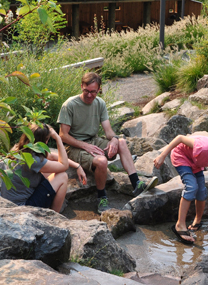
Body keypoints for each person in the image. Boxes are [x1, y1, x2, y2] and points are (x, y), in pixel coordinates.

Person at [58, 72, 158, 214]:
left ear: (99, 90)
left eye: (93, 92)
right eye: (86, 91)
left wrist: (114, 140)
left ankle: (137, 184)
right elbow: (63, 136)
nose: (89, 95)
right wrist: (85, 146)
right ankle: (102, 198)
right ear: (81, 86)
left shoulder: (100, 103)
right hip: (74, 147)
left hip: (93, 140)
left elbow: (109, 131)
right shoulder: (69, 105)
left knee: (122, 142)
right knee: (102, 161)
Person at [154, 135, 208, 244]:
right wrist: (162, 155)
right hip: (181, 156)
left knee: (201, 191)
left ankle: (197, 220)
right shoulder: (202, 148)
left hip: (195, 162)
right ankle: (180, 225)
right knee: (191, 187)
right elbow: (179, 138)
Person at [0, 124, 87, 213]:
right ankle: (54, 216)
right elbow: (64, 165)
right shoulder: (34, 160)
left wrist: (77, 165)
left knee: (49, 173)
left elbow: (52, 156)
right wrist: (58, 139)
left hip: (8, 202)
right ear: (44, 141)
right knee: (62, 176)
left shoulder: (20, 149)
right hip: (22, 209)